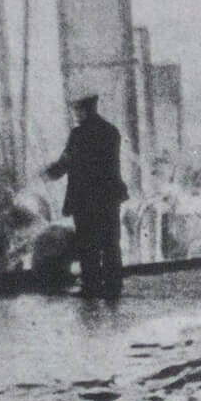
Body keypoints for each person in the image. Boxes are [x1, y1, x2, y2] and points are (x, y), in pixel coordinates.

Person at [43, 94, 127, 298]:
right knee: (110, 242)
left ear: (84, 110)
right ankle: (114, 285)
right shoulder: (111, 131)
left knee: (88, 244)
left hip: (86, 199)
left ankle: (91, 286)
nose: (75, 115)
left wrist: (48, 174)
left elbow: (66, 162)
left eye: (77, 111)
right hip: (109, 196)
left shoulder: (79, 134)